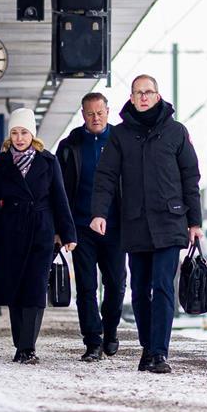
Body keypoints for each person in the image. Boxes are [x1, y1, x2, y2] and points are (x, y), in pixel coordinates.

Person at [90, 75, 203, 375]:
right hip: (135, 222)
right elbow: (106, 177)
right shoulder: (121, 135)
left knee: (163, 286)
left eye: (148, 92)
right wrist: (99, 213)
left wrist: (195, 221)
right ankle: (147, 346)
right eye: (138, 92)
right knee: (139, 290)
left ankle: (159, 352)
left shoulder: (176, 132)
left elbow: (190, 177)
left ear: (157, 95)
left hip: (170, 220)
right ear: (131, 96)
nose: (143, 97)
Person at [0, 109, 77, 364]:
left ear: (32, 134)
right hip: (9, 229)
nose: (19, 137)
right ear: (9, 135)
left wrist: (67, 233)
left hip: (41, 229)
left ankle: (27, 347)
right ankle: (21, 342)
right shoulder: (0, 164)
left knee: (35, 288)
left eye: (24, 132)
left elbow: (60, 197)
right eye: (15, 132)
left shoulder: (48, 160)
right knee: (15, 287)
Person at [56, 92, 127, 362]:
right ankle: (93, 342)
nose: (95, 118)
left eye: (100, 112)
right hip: (81, 226)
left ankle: (110, 331)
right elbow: (59, 190)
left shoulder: (121, 142)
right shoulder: (69, 146)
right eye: (90, 113)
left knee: (116, 284)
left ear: (108, 112)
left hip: (115, 226)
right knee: (86, 287)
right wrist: (61, 228)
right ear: (82, 114)